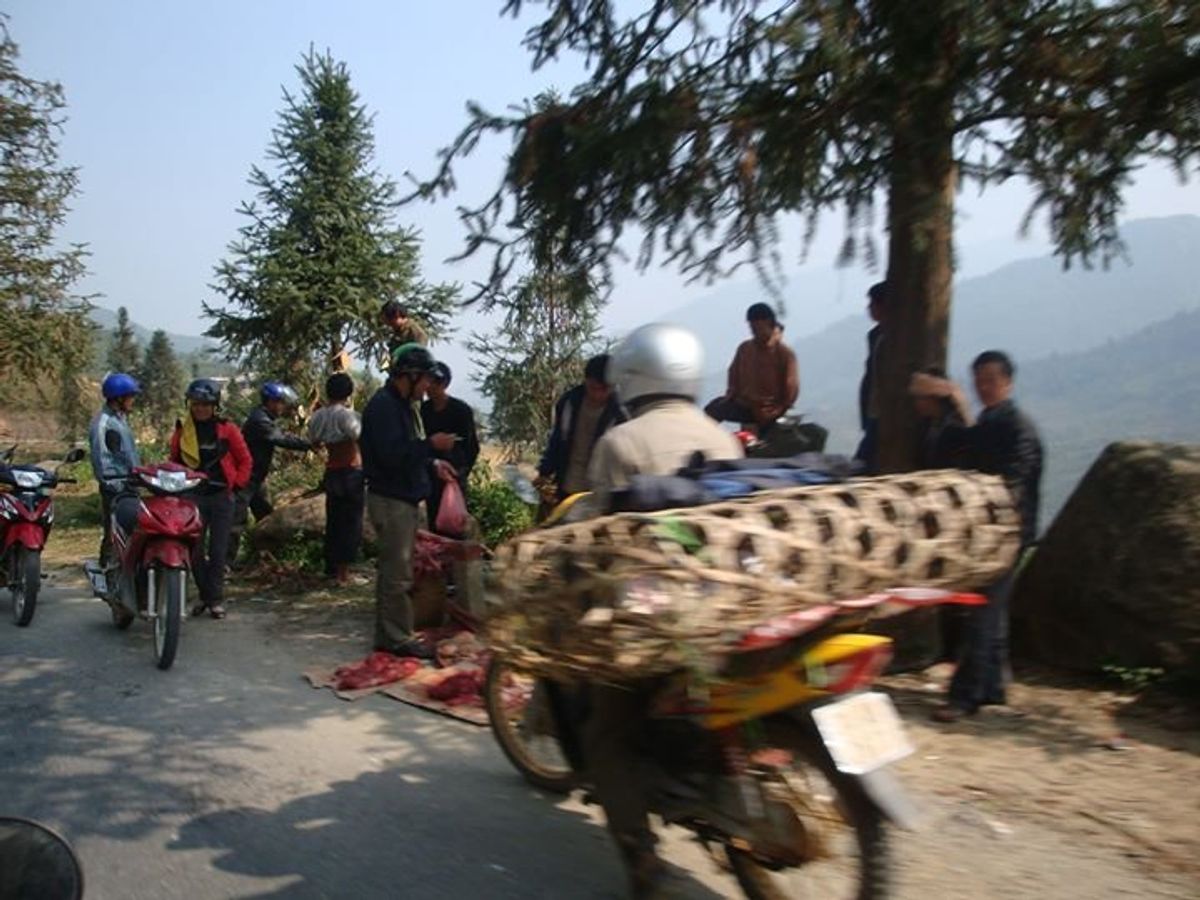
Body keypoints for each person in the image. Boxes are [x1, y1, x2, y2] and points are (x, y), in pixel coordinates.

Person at [583, 323, 744, 897]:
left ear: (632, 378)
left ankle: (643, 862)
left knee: (606, 732)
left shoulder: (620, 443)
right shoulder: (725, 439)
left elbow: (602, 540)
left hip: (659, 615)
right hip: (731, 602)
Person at [916, 351, 1044, 722]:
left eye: (990, 379)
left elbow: (1011, 484)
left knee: (982, 613)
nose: (983, 387)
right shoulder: (989, 422)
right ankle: (992, 687)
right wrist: (952, 404)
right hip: (991, 532)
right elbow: (960, 451)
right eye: (978, 380)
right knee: (992, 611)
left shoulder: (1018, 428)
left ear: (1007, 382)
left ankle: (964, 697)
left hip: (1008, 532)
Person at [360, 344, 457, 656]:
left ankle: (388, 635)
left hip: (400, 497)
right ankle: (397, 639)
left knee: (396, 571)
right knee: (397, 574)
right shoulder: (384, 407)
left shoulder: (400, 405)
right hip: (391, 500)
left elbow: (406, 450)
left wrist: (432, 463)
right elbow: (393, 456)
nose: (428, 387)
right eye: (426, 380)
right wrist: (431, 446)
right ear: (410, 376)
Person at [170, 379, 252, 619]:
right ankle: (207, 595)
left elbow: (245, 460)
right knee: (193, 551)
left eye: (205, 404)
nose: (200, 409)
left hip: (221, 497)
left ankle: (214, 600)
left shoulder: (228, 430)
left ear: (214, 406)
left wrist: (236, 485)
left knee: (218, 551)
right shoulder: (182, 432)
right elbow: (174, 461)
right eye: (196, 404)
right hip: (192, 497)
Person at [230, 382, 312, 564]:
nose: (282, 407)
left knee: (265, 516)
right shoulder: (260, 420)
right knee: (237, 521)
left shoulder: (263, 417)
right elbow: (280, 438)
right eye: (280, 402)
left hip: (256, 478)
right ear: (271, 402)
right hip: (245, 478)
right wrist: (309, 443)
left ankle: (265, 557)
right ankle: (226, 563)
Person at [535, 354, 627, 505]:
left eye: (604, 389)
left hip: (600, 493)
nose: (598, 395)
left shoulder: (620, 414)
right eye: (593, 388)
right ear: (586, 381)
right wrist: (544, 472)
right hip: (567, 486)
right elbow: (557, 440)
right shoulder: (568, 403)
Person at [704, 302, 799, 432]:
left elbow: (791, 386)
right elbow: (733, 373)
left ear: (768, 323)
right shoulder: (745, 349)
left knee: (763, 445)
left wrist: (779, 409)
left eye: (757, 326)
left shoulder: (784, 354)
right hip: (745, 406)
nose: (753, 330)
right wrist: (731, 395)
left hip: (770, 411)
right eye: (751, 326)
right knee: (714, 409)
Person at [307, 373, 364, 585]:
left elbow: (314, 441)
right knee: (351, 522)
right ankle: (344, 573)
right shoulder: (348, 416)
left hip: (332, 470)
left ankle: (331, 569)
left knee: (334, 521)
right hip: (351, 470)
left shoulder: (318, 416)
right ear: (348, 393)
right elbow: (359, 436)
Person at [88, 373, 143, 578]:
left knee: (130, 530)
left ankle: (127, 573)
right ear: (118, 398)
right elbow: (102, 459)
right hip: (116, 487)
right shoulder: (104, 424)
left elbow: (127, 454)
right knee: (114, 532)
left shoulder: (119, 420)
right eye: (130, 396)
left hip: (129, 485)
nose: (132, 400)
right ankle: (107, 574)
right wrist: (116, 484)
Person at [419, 362, 481, 534]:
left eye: (436, 383)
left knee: (455, 522)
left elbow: (472, 447)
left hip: (454, 476)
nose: (430, 387)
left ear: (445, 384)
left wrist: (460, 474)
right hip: (432, 474)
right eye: (428, 382)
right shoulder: (424, 410)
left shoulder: (461, 411)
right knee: (435, 523)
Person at [854, 282, 888, 472]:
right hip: (872, 408)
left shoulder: (897, 337)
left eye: (872, 304)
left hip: (884, 410)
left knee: (865, 460)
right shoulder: (875, 336)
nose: (869, 309)